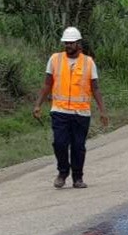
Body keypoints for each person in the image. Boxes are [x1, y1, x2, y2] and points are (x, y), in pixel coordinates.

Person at [32, 27, 109, 189]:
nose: (68, 46)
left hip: (81, 113)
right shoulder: (55, 59)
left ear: (78, 44)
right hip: (59, 111)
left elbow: (95, 88)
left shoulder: (88, 62)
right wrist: (38, 104)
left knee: (78, 146)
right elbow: (47, 84)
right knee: (59, 143)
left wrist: (102, 110)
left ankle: (78, 178)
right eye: (66, 43)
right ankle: (62, 172)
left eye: (71, 43)